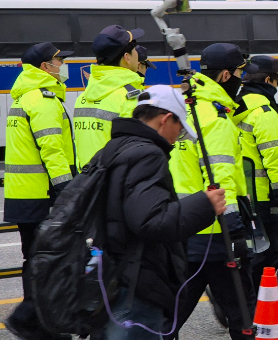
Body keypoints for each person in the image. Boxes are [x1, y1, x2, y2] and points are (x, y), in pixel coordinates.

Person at [95, 85, 224, 340]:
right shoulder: (149, 154)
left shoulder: (115, 147)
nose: (177, 138)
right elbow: (152, 222)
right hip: (137, 284)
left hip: (110, 278)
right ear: (166, 119)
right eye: (179, 128)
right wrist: (205, 205)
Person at [168, 43, 258, 340]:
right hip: (214, 230)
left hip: (181, 224)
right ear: (224, 76)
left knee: (174, 308)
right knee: (241, 309)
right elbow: (218, 179)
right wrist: (233, 226)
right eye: (238, 75)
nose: (240, 82)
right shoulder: (215, 119)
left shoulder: (182, 109)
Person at [4, 43, 76, 340]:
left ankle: (38, 321)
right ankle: (31, 320)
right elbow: (51, 148)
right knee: (46, 260)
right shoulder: (43, 98)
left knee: (35, 258)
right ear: (46, 66)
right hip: (40, 194)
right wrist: (66, 189)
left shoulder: (25, 94)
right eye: (59, 61)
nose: (63, 65)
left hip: (23, 193)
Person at [233, 55, 278, 288]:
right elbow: (274, 157)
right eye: (277, 81)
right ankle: (249, 299)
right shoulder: (264, 112)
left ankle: (240, 296)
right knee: (272, 250)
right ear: (269, 80)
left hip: (242, 194)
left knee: (252, 248)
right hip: (263, 196)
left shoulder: (234, 105)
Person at [74, 25, 144, 170]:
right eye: (134, 49)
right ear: (126, 57)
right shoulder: (130, 98)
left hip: (87, 183)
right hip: (116, 186)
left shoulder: (83, 97)